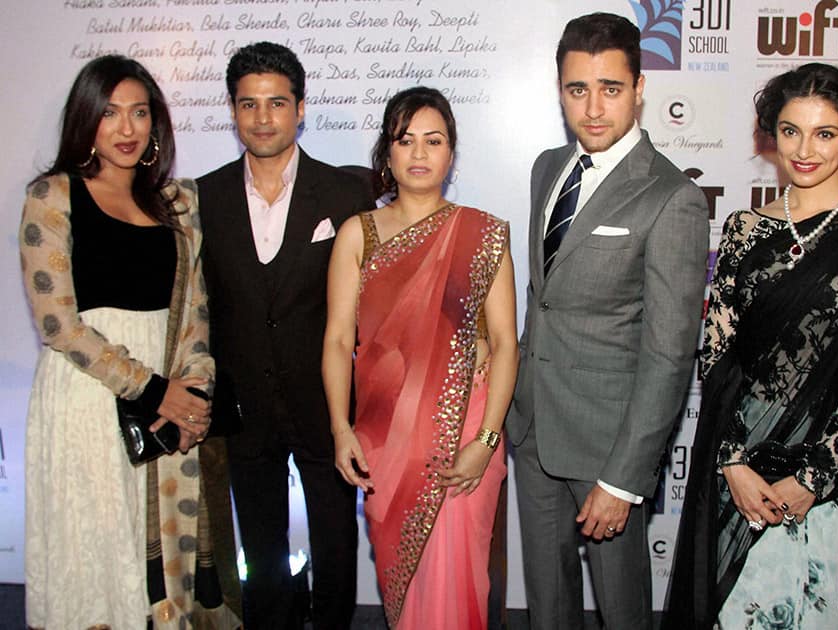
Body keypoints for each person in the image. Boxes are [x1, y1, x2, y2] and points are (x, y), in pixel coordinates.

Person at [664, 63, 838, 629]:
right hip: (738, 467)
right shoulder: (742, 229)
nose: (804, 149)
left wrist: (812, 479)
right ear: (771, 135)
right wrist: (731, 462)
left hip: (825, 476)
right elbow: (718, 357)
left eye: (824, 133)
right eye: (790, 130)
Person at [20, 55, 241, 629]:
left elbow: (195, 312)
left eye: (139, 113)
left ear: (155, 123)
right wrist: (155, 391)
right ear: (85, 120)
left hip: (168, 404)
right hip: (87, 399)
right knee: (98, 553)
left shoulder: (177, 203)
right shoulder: (53, 196)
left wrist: (192, 396)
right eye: (110, 113)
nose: (126, 128)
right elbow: (58, 325)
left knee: (162, 567)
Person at [505, 12, 710, 629]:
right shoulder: (548, 167)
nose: (593, 108)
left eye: (611, 89)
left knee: (622, 611)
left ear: (640, 88)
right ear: (560, 90)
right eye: (577, 89)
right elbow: (545, 300)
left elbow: (670, 354)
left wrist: (622, 481)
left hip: (607, 446)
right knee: (548, 608)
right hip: (534, 429)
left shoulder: (672, 196)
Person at [322, 86, 518, 629]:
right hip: (386, 437)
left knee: (463, 576)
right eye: (405, 141)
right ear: (387, 153)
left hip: (466, 431)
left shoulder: (482, 234)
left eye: (434, 141)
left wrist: (485, 441)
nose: (419, 153)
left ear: (451, 153)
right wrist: (340, 429)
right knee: (402, 580)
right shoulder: (356, 235)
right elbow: (339, 340)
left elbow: (504, 343)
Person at [197, 42, 374, 629]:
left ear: (301, 109)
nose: (263, 118)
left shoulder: (346, 196)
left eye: (277, 103)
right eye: (249, 105)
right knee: (262, 549)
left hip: (325, 402)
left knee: (335, 545)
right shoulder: (204, 197)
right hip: (244, 404)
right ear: (233, 111)